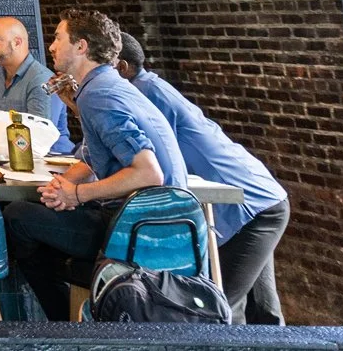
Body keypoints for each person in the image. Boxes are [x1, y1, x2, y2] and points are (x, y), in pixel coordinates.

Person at [1, 9, 187, 321]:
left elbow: (147, 172)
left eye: (59, 39)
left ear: (81, 46)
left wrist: (77, 195)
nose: (51, 47)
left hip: (136, 227)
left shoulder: (98, 94)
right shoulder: (107, 86)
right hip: (168, 222)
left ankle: (72, 324)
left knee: (17, 217)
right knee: (41, 220)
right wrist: (64, 185)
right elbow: (94, 155)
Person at [118, 34, 288, 323]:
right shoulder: (149, 86)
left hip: (250, 206)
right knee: (263, 313)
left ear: (121, 67)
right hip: (259, 196)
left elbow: (147, 156)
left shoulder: (144, 94)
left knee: (218, 310)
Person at [0, 16, 73, 153]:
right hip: (10, 156)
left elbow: (37, 136)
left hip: (52, 160)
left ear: (17, 43)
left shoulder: (42, 80)